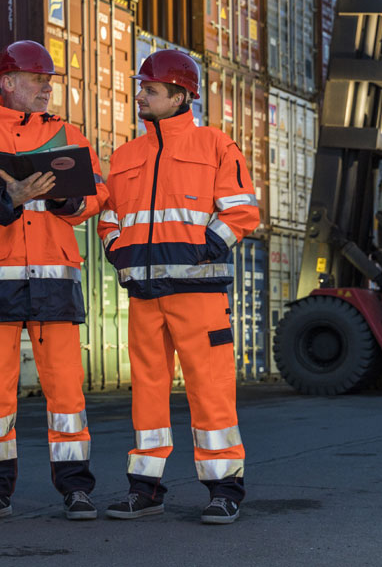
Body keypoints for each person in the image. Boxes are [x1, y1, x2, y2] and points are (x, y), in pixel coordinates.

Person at [0, 40, 109, 522]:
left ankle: (77, 490)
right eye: (38, 80)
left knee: (67, 394)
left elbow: (98, 192)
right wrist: (8, 197)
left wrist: (65, 201)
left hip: (54, 280)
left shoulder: (68, 134)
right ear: (7, 82)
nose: (46, 88)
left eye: (49, 81)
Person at [97, 49, 260, 524]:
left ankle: (224, 488)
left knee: (210, 391)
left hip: (199, 297)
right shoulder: (126, 156)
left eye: (150, 89)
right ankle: (145, 489)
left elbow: (242, 210)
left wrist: (207, 246)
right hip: (145, 297)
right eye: (141, 88)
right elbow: (110, 217)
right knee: (146, 393)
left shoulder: (215, 145)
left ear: (179, 95)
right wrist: (114, 248)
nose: (140, 96)